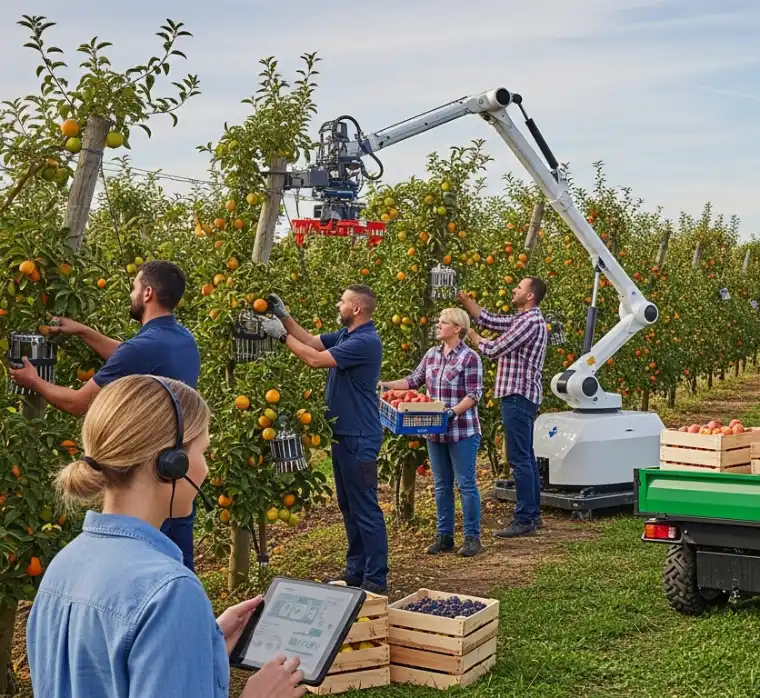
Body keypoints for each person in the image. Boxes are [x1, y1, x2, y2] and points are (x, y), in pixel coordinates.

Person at [25, 374, 306, 698]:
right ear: (171, 464)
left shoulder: (63, 567)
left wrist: (203, 643)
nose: (206, 469)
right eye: (202, 452)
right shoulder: (169, 592)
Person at [5, 260, 202, 572]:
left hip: (145, 480)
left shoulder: (145, 347)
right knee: (177, 566)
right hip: (176, 474)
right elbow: (127, 353)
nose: (131, 294)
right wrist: (84, 331)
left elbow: (77, 403)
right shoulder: (181, 339)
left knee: (146, 570)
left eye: (134, 288)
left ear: (147, 293)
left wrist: (34, 381)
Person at [260, 285, 388, 594]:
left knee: (365, 506)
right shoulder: (347, 336)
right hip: (343, 436)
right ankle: (356, 571)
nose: (337, 303)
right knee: (348, 505)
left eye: (342, 301)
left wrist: (279, 335)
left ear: (357, 309)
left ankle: (377, 578)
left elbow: (314, 360)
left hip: (360, 438)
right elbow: (311, 342)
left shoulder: (365, 342)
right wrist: (284, 316)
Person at [379, 308, 484, 557]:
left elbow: (474, 395)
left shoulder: (469, 358)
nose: (438, 325)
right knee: (441, 485)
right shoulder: (432, 354)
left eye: (443, 322)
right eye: (437, 321)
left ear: (457, 328)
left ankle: (472, 538)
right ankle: (444, 535)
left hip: (462, 430)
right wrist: (384, 384)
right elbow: (413, 381)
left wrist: (451, 412)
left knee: (465, 484)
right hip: (434, 431)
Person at [456, 277, 549, 539]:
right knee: (525, 457)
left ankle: (524, 519)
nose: (514, 289)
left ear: (530, 296)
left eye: (519, 287)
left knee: (519, 459)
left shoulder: (529, 322)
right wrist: (464, 300)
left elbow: (495, 348)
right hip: (520, 395)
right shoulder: (523, 319)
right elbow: (490, 319)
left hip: (518, 395)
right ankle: (532, 515)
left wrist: (471, 334)